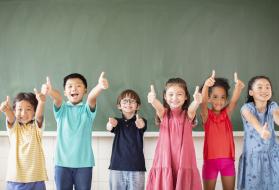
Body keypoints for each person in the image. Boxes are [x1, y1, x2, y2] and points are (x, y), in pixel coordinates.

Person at [43, 72, 109, 190]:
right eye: (69, 86)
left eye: (78, 85)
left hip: (84, 164)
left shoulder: (87, 110)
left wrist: (99, 87)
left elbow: (91, 98)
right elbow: (57, 98)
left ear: (85, 90)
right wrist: (50, 91)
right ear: (65, 92)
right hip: (62, 164)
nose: (74, 88)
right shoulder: (61, 109)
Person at [146, 78, 202, 190]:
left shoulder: (188, 115)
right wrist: (153, 101)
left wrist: (196, 102)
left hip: (184, 160)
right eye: (171, 94)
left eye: (179, 94)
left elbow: (192, 110)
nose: (175, 98)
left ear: (186, 97)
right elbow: (159, 108)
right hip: (166, 159)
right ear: (165, 97)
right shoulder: (164, 114)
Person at [200, 71, 244, 190]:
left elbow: (234, 101)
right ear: (209, 98)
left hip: (228, 162)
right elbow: (203, 103)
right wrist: (206, 86)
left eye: (222, 97)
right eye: (215, 97)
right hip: (210, 162)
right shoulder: (206, 116)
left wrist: (238, 87)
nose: (219, 101)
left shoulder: (226, 114)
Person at [0, 89, 48, 190]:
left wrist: (41, 103)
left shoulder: (36, 127)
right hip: (16, 178)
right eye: (19, 109)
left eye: (28, 109)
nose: (23, 113)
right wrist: (6, 110)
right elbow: (11, 117)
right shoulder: (14, 128)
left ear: (34, 111)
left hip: (36, 178)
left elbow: (39, 116)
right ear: (14, 111)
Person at [237, 75, 279, 190]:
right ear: (251, 92)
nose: (264, 90)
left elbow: (276, 115)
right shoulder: (246, 108)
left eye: (267, 87)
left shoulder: (272, 106)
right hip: (253, 159)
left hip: (273, 158)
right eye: (259, 87)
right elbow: (252, 119)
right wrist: (261, 130)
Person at [106, 89, 147, 190]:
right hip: (117, 167)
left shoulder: (141, 121)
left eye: (132, 101)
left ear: (138, 106)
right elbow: (109, 127)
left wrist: (141, 124)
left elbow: (142, 125)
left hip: (136, 167)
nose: (128, 103)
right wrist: (110, 124)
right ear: (119, 105)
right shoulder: (117, 122)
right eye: (125, 101)